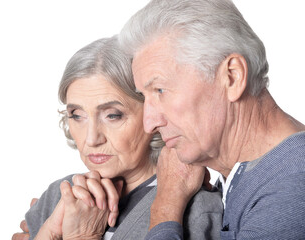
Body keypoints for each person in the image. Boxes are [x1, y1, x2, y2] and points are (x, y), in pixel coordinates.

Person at [117, 0, 305, 239]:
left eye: (160, 90)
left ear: (232, 77)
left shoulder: (292, 192)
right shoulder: (255, 177)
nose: (149, 123)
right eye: (145, 97)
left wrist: (166, 207)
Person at [12, 36, 223, 240]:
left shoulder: (194, 210)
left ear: (152, 114)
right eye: (77, 116)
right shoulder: (59, 196)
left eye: (113, 115)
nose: (91, 139)